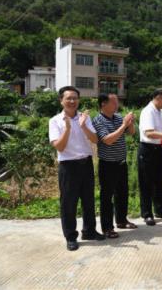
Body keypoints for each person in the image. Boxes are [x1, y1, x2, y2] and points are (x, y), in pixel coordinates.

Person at [49, 86, 105, 251]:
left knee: (88, 200)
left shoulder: (84, 118)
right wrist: (67, 128)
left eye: (75, 98)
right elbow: (59, 147)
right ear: (61, 100)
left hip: (86, 163)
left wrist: (83, 126)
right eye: (69, 98)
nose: (72, 101)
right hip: (68, 166)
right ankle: (71, 236)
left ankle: (89, 231)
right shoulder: (55, 121)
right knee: (68, 203)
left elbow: (95, 140)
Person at [92, 93, 137, 239]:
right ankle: (107, 227)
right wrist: (124, 124)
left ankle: (122, 220)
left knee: (122, 194)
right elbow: (107, 140)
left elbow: (131, 133)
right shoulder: (98, 120)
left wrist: (130, 123)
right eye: (113, 102)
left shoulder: (118, 117)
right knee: (107, 197)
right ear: (103, 104)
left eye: (117, 102)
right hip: (107, 164)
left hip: (121, 162)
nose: (117, 105)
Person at [138, 88, 162, 226]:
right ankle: (147, 214)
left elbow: (159, 128)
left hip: (159, 149)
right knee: (146, 183)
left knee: (159, 181)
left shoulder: (160, 111)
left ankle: (160, 210)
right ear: (158, 97)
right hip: (148, 150)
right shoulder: (147, 111)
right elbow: (149, 133)